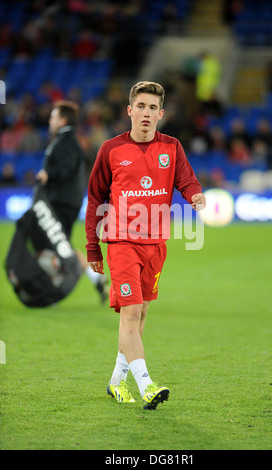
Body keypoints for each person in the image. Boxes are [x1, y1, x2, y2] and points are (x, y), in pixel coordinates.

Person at [85, 82, 206, 409]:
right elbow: (95, 197)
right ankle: (146, 385)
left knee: (140, 317)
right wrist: (93, 248)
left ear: (161, 114)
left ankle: (115, 382)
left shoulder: (172, 147)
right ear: (129, 110)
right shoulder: (111, 150)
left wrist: (194, 193)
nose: (146, 113)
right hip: (122, 242)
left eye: (153, 108)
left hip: (156, 245)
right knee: (131, 312)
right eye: (141, 106)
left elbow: (186, 179)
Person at [36, 100, 108, 302]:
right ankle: (95, 278)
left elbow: (66, 168)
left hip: (62, 201)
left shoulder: (66, 141)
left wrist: (47, 174)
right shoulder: (67, 140)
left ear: (63, 120)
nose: (50, 119)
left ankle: (51, 286)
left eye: (54, 116)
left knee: (52, 244)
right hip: (66, 200)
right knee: (60, 244)